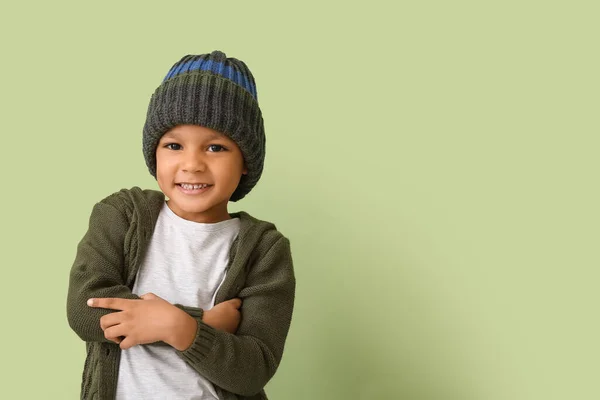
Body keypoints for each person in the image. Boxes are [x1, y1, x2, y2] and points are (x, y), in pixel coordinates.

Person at [66, 50, 296, 400]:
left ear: (246, 161)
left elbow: (254, 369)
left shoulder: (265, 248)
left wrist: (184, 330)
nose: (192, 164)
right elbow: (86, 309)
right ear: (154, 153)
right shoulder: (122, 214)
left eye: (216, 148)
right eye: (174, 145)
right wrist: (197, 320)